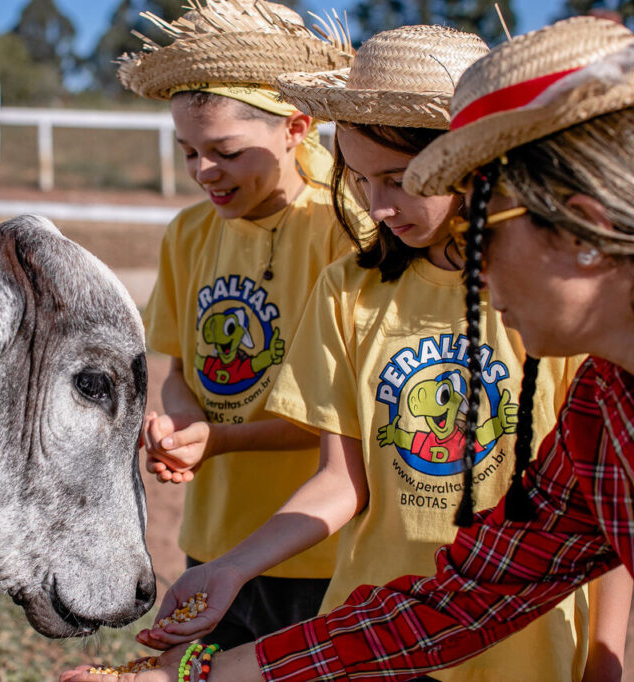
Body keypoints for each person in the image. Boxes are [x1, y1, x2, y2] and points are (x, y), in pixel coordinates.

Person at [61, 15, 634, 682]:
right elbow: (462, 602)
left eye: (488, 228)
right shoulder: (602, 411)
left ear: (585, 230)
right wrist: (186, 674)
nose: (474, 266)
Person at [118, 0, 354, 648]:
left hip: (318, 552)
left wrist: (217, 440)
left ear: (296, 128)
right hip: (213, 540)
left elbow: (339, 422)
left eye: (224, 151)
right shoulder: (188, 233)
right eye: (188, 152)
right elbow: (177, 373)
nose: (203, 172)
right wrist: (180, 419)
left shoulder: (346, 230)